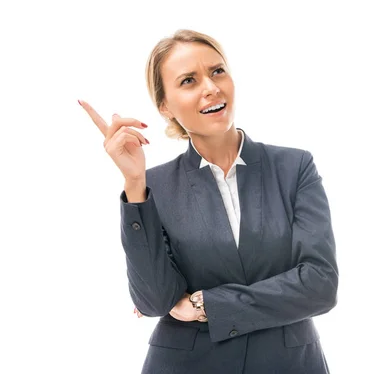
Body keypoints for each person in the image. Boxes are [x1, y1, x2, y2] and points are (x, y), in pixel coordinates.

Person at [79, 29, 338, 373]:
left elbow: (320, 285)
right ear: (165, 107)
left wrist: (206, 304)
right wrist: (135, 184)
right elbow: (155, 301)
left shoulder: (294, 168)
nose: (211, 87)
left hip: (287, 362)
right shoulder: (154, 185)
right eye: (188, 80)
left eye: (217, 71)